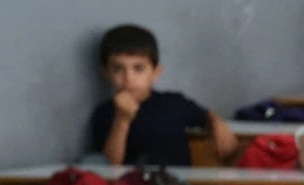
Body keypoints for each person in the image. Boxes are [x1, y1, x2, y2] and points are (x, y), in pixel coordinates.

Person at [85, 23, 236, 168]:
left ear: (155, 73)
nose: (128, 78)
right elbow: (110, 167)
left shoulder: (173, 103)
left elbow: (205, 115)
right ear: (105, 73)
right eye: (118, 69)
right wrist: (122, 120)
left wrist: (216, 122)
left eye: (138, 69)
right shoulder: (104, 113)